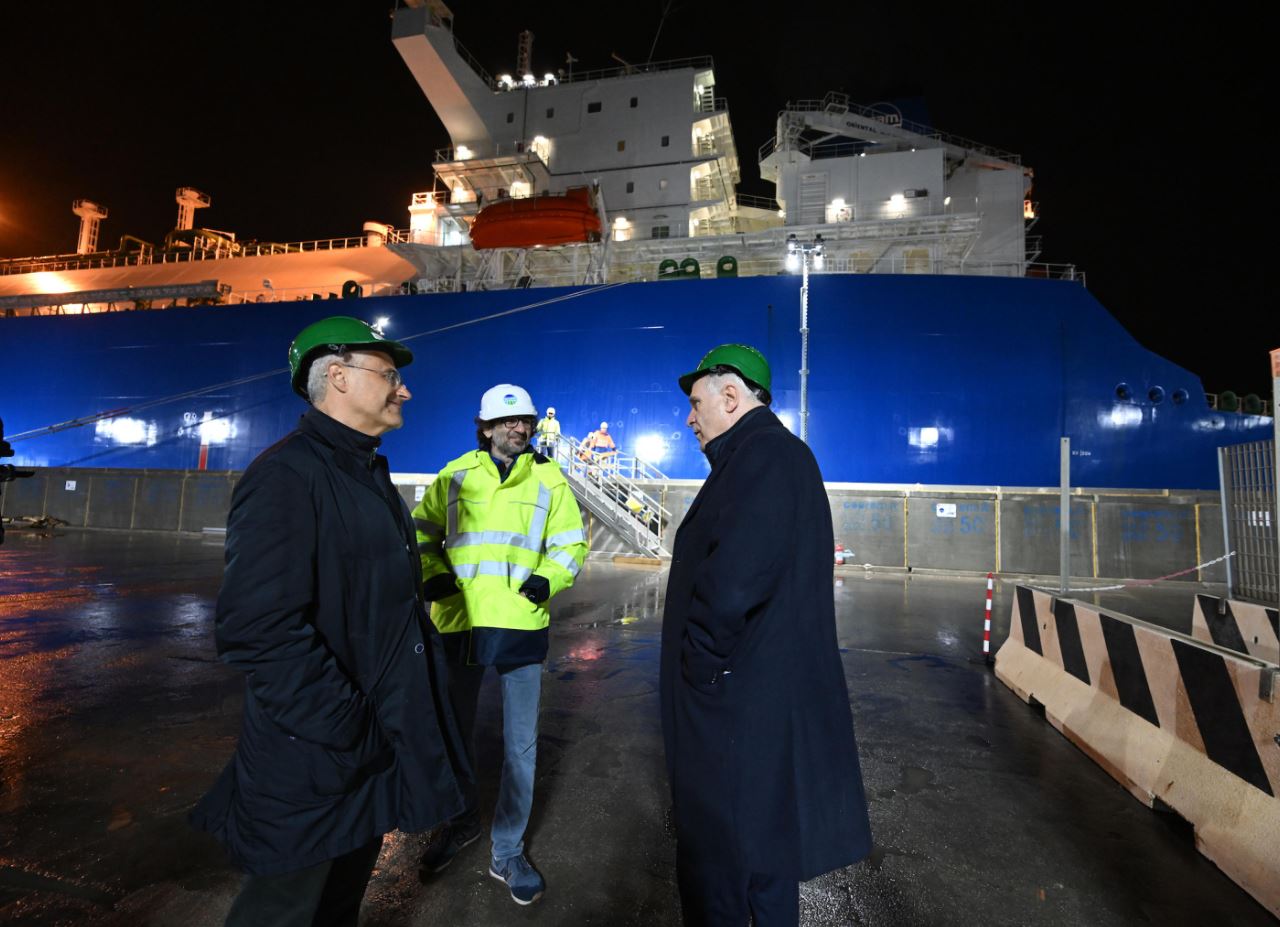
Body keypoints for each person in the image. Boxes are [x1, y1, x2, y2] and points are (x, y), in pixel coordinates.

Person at [190, 316, 470, 927]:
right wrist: (351, 730)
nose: (405, 390)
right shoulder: (285, 477)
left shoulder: (364, 472)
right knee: (285, 909)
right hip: (314, 760)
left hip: (362, 754)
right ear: (337, 376)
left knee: (338, 905)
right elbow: (258, 629)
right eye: (390, 375)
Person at [660, 344, 872, 926]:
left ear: (731, 397)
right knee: (762, 860)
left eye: (695, 402)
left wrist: (699, 673)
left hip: (732, 711)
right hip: (753, 706)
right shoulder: (772, 457)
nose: (689, 418)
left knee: (720, 867)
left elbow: (732, 585)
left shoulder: (763, 459)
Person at [413, 384, 587, 906]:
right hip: (459, 622)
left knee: (520, 749)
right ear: (485, 427)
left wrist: (549, 580)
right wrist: (432, 575)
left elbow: (571, 543)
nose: (520, 428)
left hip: (520, 622)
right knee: (451, 737)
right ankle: (460, 821)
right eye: (508, 421)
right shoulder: (455, 474)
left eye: (526, 421)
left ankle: (507, 851)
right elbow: (420, 533)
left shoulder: (550, 478)